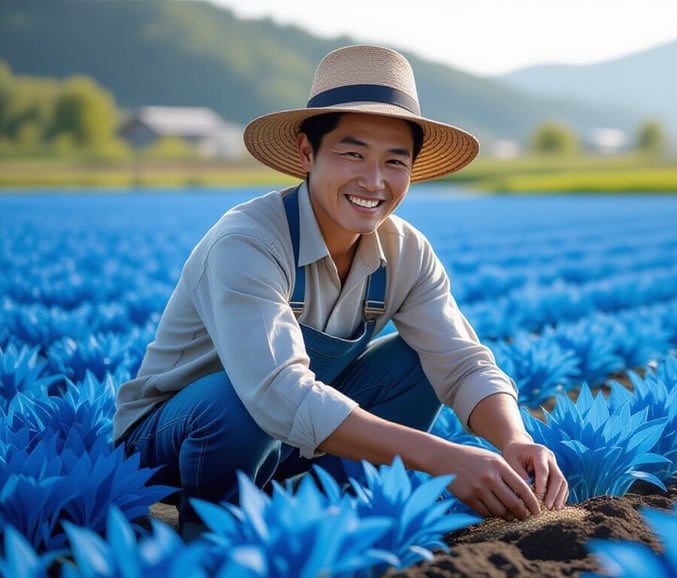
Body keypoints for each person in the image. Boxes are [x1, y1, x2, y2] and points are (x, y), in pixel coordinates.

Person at [113, 44, 568, 536]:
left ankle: (328, 519)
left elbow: (460, 361)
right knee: (235, 400)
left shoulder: (405, 250)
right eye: (353, 154)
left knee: (420, 361)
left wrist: (515, 437)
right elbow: (275, 391)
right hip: (177, 436)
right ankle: (217, 534)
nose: (373, 181)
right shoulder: (248, 240)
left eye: (395, 162)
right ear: (308, 154)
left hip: (290, 433)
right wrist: (443, 458)